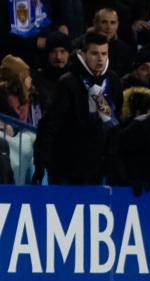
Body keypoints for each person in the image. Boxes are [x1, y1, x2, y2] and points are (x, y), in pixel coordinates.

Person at [33, 31, 122, 185]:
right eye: (94, 53)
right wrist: (41, 161)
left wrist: (111, 157)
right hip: (65, 166)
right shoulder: (68, 83)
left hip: (98, 168)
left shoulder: (113, 81)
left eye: (104, 53)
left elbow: (116, 123)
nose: (100, 58)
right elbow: (50, 124)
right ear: (83, 54)